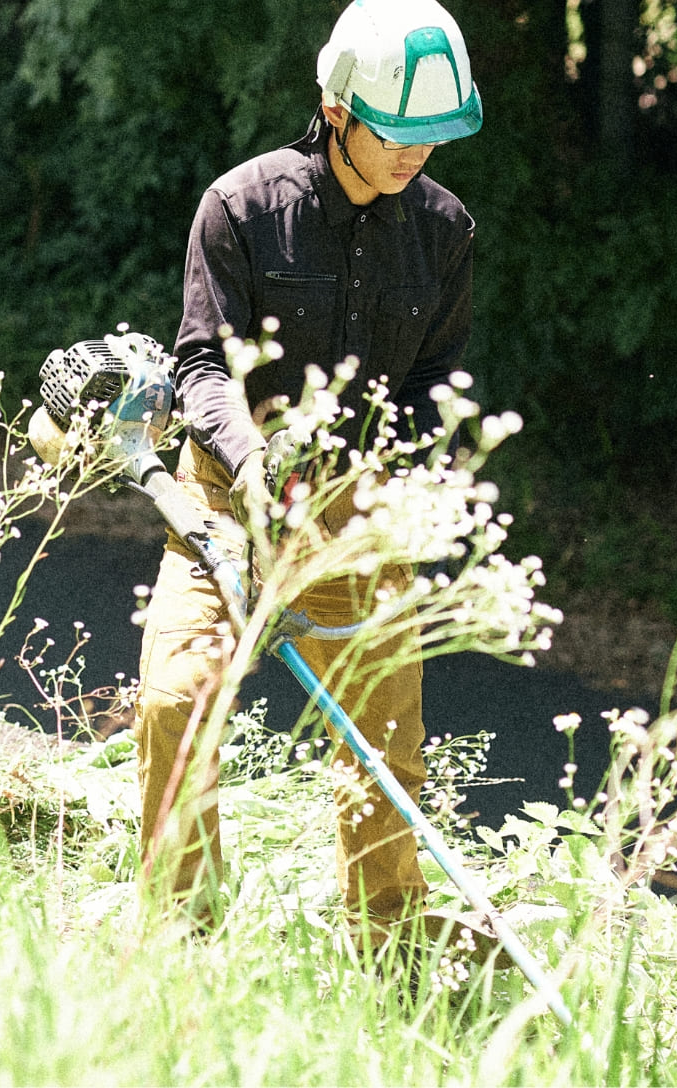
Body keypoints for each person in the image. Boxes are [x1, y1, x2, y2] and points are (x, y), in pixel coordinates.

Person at [134, 0, 482, 949]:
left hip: (358, 513)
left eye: (433, 136)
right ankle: (183, 940)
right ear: (337, 112)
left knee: (383, 754)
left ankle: (393, 953)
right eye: (397, 133)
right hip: (223, 500)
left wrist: (425, 482)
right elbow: (201, 363)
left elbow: (434, 380)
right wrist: (250, 467)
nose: (417, 156)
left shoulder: (446, 228)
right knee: (176, 702)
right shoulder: (240, 209)